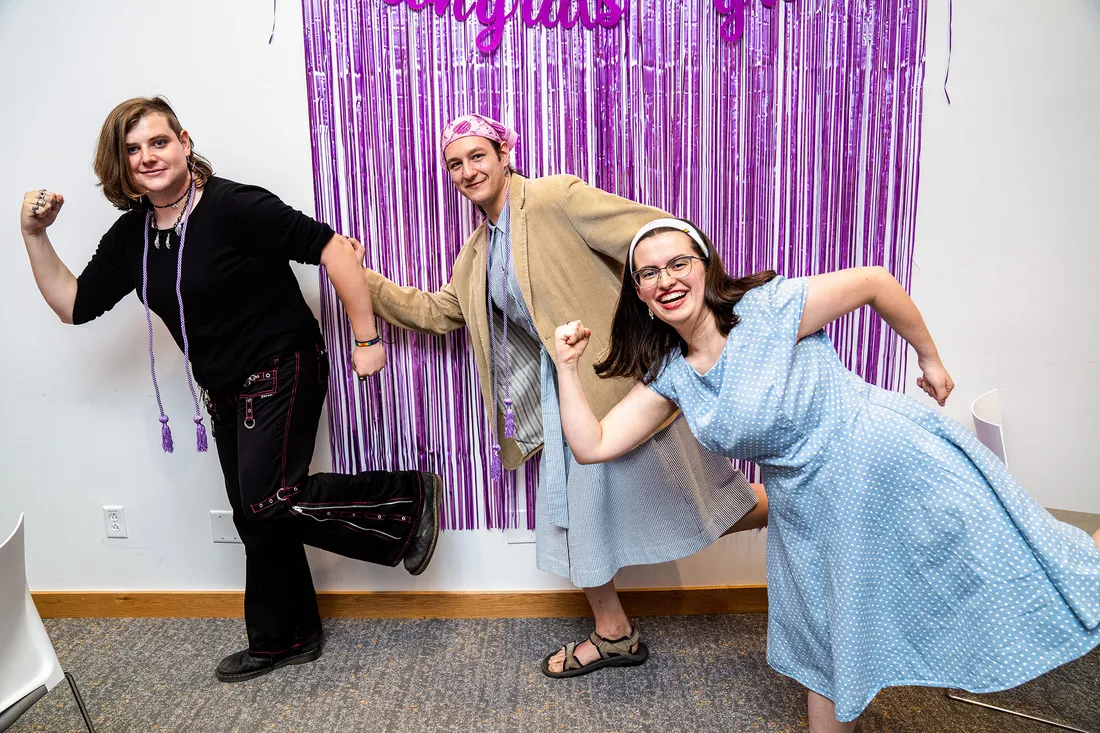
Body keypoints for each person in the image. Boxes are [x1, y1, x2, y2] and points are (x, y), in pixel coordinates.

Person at [551, 218, 1100, 730]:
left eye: (678, 263)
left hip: (885, 460)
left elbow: (874, 282)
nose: (666, 280)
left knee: (1014, 563)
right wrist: (567, 367)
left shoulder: (766, 309)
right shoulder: (674, 375)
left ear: (705, 266)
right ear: (641, 296)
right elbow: (592, 445)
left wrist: (929, 359)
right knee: (826, 641)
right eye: (648, 273)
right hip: (809, 506)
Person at [19, 96, 441, 683]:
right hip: (223, 390)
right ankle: (284, 637)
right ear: (121, 166)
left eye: (158, 142)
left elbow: (332, 249)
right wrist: (33, 233)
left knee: (269, 498)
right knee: (255, 516)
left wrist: (367, 340)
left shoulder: (233, 205)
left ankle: (407, 500)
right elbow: (72, 305)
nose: (147, 157)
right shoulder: (132, 238)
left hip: (282, 365)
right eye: (133, 149)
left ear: (185, 142)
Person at [357, 114, 769, 677]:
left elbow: (655, 237)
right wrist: (361, 281)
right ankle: (614, 634)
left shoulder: (555, 197)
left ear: (505, 154)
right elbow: (438, 312)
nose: (467, 171)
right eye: (455, 164)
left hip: (623, 383)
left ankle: (804, 499)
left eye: (478, 155)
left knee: (706, 500)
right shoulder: (476, 254)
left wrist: (686, 320)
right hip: (566, 396)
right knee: (577, 517)